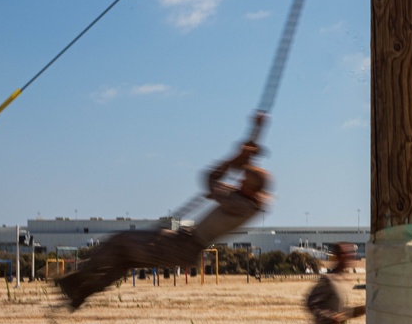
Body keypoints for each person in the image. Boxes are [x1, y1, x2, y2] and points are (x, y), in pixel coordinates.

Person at [56, 113, 272, 310]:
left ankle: (75, 280)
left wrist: (236, 157)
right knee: (125, 260)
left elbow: (210, 178)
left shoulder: (239, 203)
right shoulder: (252, 200)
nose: (239, 180)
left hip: (183, 245)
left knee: (121, 241)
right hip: (185, 246)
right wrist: (255, 132)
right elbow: (249, 171)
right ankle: (80, 294)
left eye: (243, 181)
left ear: (249, 188)